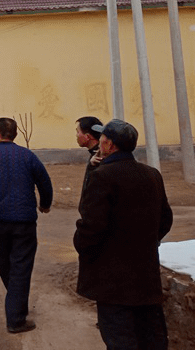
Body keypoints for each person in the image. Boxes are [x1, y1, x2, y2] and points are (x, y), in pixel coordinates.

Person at [74, 119, 173, 349]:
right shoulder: (152, 174)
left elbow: (91, 227)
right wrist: (147, 242)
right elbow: (165, 220)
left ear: (108, 145)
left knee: (120, 339)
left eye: (103, 142)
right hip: (145, 276)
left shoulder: (102, 176)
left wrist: (83, 247)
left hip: (112, 281)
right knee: (151, 337)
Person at [0, 117, 53, 334]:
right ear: (14, 134)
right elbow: (44, 181)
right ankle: (16, 316)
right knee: (21, 268)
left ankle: (16, 309)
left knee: (6, 266)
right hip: (23, 222)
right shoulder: (27, 156)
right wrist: (44, 204)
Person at [75, 116, 103, 199]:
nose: (76, 135)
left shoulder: (100, 156)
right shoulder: (95, 153)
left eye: (78, 132)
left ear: (87, 137)